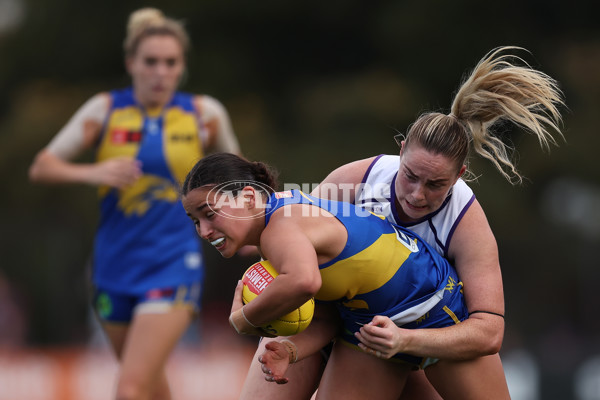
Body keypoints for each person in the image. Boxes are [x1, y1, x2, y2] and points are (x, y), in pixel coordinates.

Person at [240, 46, 565, 399]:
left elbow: (489, 333)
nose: (417, 194)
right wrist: (285, 338)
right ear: (402, 147)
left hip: (410, 332)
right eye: (409, 175)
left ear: (460, 175)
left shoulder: (466, 223)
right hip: (334, 317)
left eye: (436, 184)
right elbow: (291, 248)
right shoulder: (355, 181)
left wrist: (406, 340)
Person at [28, 8, 241, 400]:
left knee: (129, 388)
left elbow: (241, 182)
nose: (160, 71)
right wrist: (92, 173)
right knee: (145, 381)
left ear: (182, 67)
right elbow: (42, 166)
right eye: (150, 62)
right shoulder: (105, 110)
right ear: (131, 63)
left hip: (174, 261)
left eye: (170, 62)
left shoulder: (203, 114)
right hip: (112, 265)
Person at [181, 152, 511, 399]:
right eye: (195, 221)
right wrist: (292, 351)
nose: (204, 230)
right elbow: (326, 316)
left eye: (210, 214)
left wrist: (242, 321)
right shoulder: (282, 226)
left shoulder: (279, 228)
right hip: (367, 329)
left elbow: (303, 282)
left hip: (433, 310)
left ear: (250, 196)